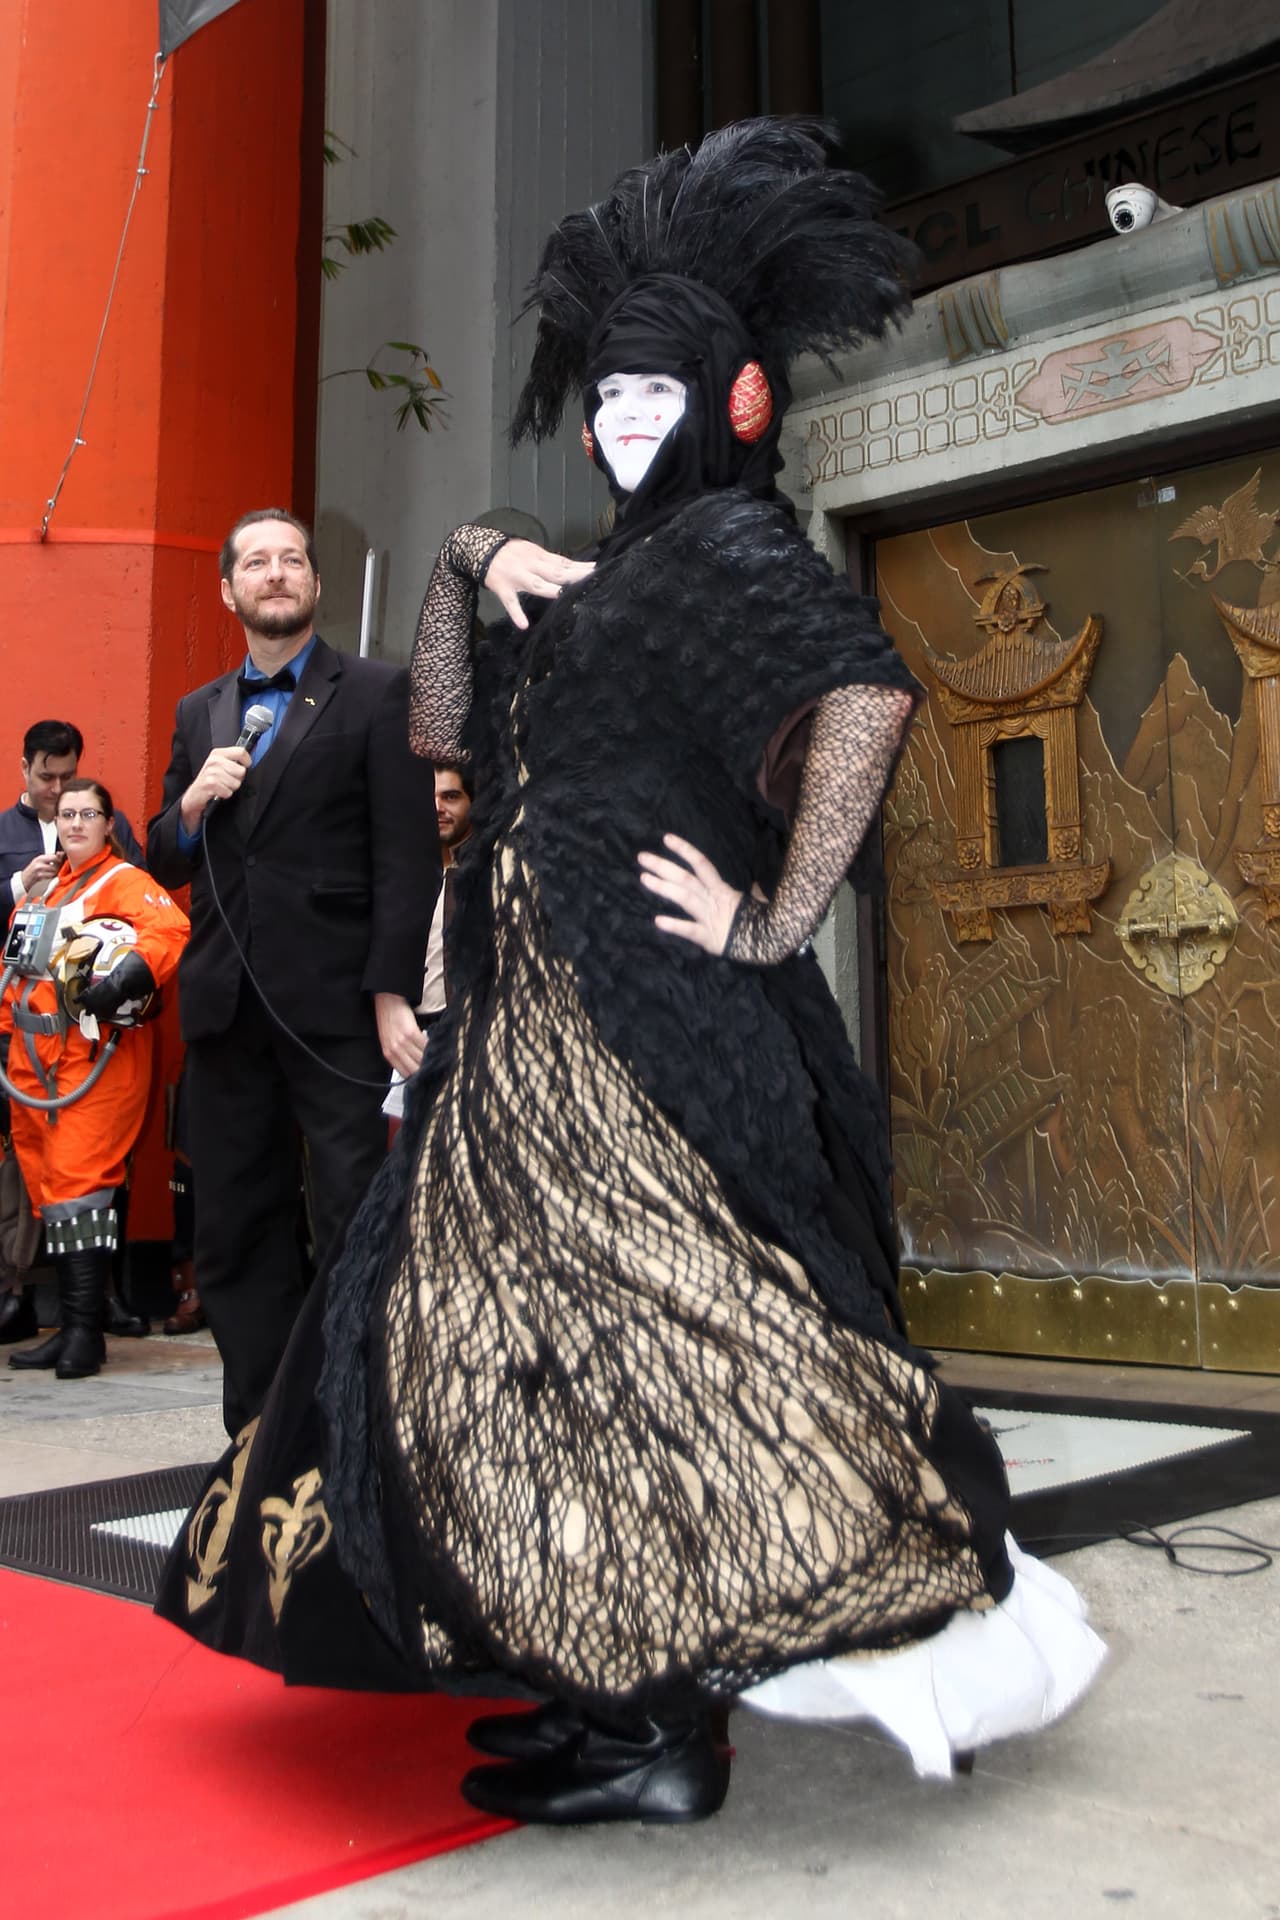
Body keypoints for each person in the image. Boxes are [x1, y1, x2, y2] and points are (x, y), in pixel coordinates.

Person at [156, 122, 1103, 1823]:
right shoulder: (609, 571)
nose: (620, 422)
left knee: (650, 1347)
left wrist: (775, 913)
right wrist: (467, 554)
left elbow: (869, 698)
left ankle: (667, 1734)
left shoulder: (734, 554)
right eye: (605, 395)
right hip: (527, 1007)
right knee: (533, 1358)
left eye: (656, 396)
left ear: (733, 399)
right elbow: (448, 734)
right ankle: (613, 1704)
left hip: (638, 1024)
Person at [146, 510, 438, 1437]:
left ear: (314, 584)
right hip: (228, 1008)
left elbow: (408, 858)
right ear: (229, 589)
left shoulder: (376, 693)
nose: (277, 574)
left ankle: (361, 1428)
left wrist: (393, 991)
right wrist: (193, 802)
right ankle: (261, 1435)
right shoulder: (201, 711)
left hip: (337, 1009)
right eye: (258, 563)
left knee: (354, 1217)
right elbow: (163, 857)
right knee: (235, 1229)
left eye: (294, 561)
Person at [1, 778, 188, 1378]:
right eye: (67, 814)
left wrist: (130, 975)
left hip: (95, 1055)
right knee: (52, 1190)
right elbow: (15, 974)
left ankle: (86, 1331)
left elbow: (169, 933)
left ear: (110, 825)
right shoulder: (46, 887)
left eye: (89, 814)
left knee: (83, 1184)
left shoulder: (125, 882)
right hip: (33, 1060)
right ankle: (73, 1327)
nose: (76, 822)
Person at [0, 721, 144, 906]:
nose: (58, 788)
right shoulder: (3, 829)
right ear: (25, 768)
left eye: (67, 777)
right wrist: (20, 884)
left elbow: (140, 891)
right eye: (47, 777)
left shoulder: (106, 822)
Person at [415, 761, 473, 1031]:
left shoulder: (489, 875)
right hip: (404, 1032)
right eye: (431, 797)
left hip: (462, 1028)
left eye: (450, 797)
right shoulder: (406, 875)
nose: (438, 807)